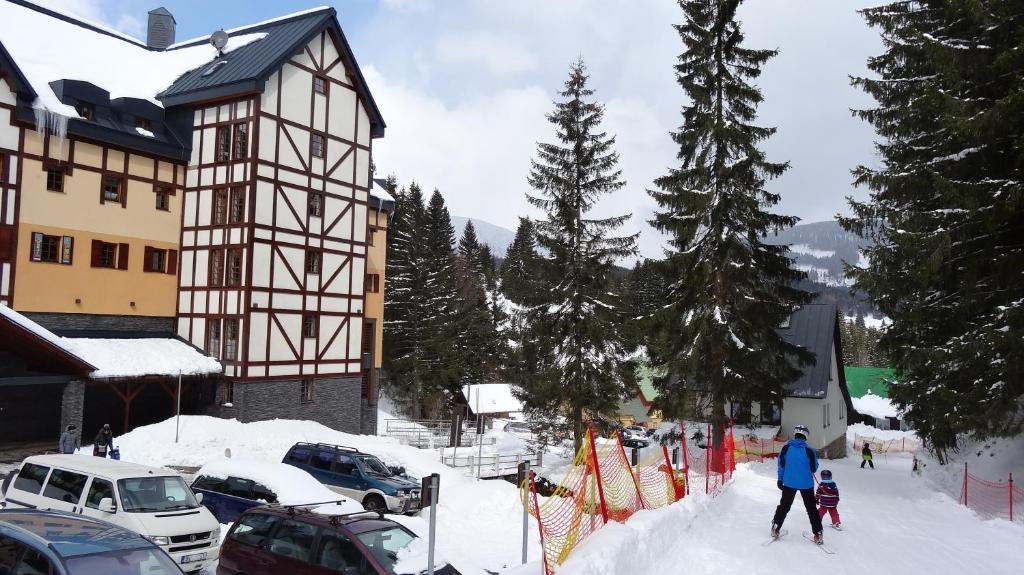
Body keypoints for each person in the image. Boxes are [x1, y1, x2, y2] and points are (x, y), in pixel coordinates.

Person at [771, 424, 824, 544]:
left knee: (784, 506)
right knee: (811, 509)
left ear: (795, 435)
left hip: (789, 483)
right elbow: (814, 468)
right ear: (805, 436)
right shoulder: (810, 450)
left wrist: (780, 479)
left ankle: (776, 527)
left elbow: (781, 465)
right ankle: (818, 534)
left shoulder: (785, 448)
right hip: (806, 484)